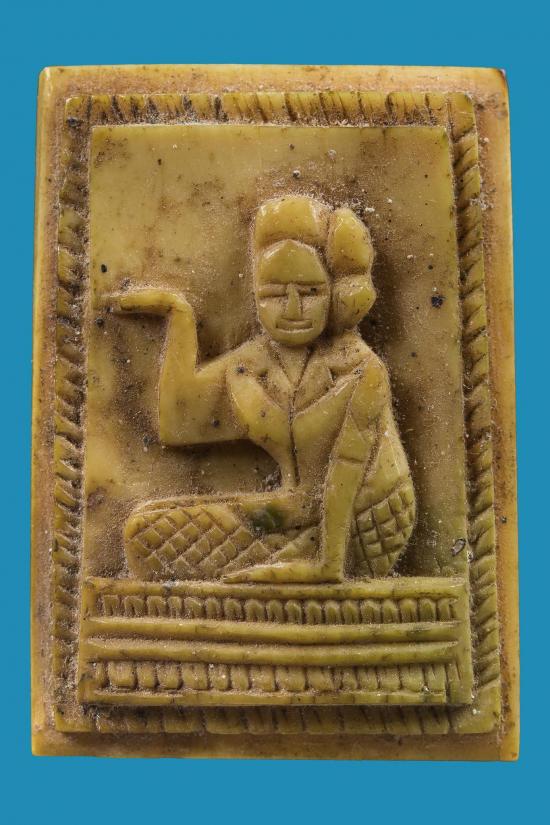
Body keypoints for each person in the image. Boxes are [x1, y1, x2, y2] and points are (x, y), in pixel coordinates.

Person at [113, 195, 415, 583]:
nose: (292, 309)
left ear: (338, 294)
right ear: (254, 294)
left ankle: (301, 560)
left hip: (362, 520)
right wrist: (179, 316)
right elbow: (180, 423)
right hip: (292, 511)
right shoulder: (254, 361)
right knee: (145, 530)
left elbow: (347, 467)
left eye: (310, 292)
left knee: (170, 543)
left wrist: (325, 566)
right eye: (273, 294)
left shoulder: (360, 368)